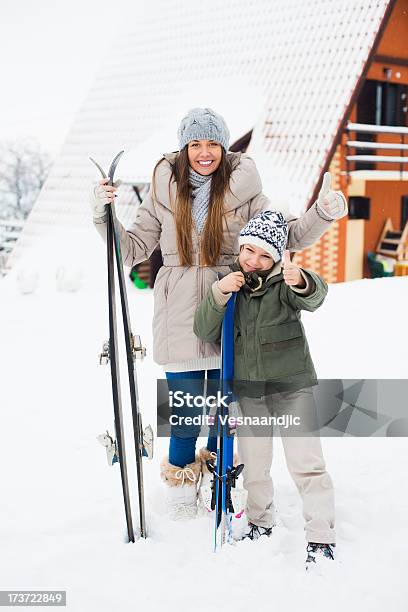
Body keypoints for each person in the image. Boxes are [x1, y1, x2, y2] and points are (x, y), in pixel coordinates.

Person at [90, 107, 347, 521]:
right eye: (195, 144)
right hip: (178, 312)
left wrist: (324, 212)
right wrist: (103, 215)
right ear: (184, 147)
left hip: (233, 308)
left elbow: (287, 233)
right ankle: (179, 486)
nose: (204, 153)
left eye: (212, 143)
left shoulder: (246, 189)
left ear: (225, 148)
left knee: (226, 409)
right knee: (186, 407)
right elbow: (132, 248)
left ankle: (220, 479)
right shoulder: (162, 186)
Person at [193, 210, 335, 569]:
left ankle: (320, 537)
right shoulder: (232, 283)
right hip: (250, 392)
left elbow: (314, 297)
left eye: (264, 255)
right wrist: (218, 294)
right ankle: (260, 522)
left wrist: (301, 279)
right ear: (241, 248)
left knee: (306, 464)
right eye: (249, 251)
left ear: (275, 258)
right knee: (254, 465)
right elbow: (204, 330)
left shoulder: (284, 284)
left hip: (292, 388)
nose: (254, 261)